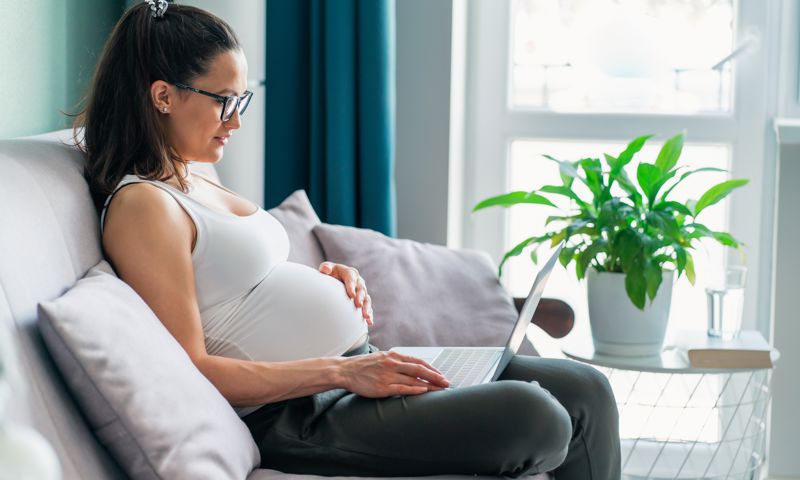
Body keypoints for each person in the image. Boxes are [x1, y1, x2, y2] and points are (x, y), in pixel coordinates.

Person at [74, 2, 621, 478]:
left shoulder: (191, 174)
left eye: (243, 101)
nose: (236, 123)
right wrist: (343, 370)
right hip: (300, 412)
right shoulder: (142, 205)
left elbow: (233, 289)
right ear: (163, 96)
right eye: (224, 101)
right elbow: (192, 366)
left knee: (587, 391)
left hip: (351, 372)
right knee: (538, 418)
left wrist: (325, 281)